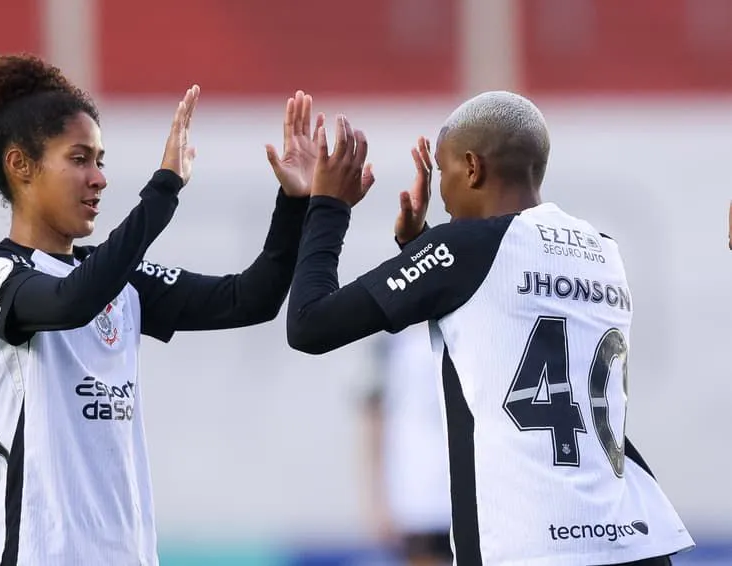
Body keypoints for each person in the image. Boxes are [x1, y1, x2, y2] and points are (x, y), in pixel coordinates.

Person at [285, 94, 694, 566]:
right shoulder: (605, 252)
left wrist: (327, 206)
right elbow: (500, 308)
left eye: (442, 172)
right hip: (632, 539)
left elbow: (309, 325)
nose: (439, 194)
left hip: (529, 546)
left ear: (473, 168)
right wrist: (417, 249)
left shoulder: (463, 251)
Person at [0, 54, 322, 565]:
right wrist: (164, 188)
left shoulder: (117, 280)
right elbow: (70, 301)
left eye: (100, 160)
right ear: (21, 165)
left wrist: (294, 201)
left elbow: (251, 299)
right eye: (79, 159)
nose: (99, 178)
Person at [361, 324, 453, 566]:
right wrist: (377, 499)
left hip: (466, 486)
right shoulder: (389, 342)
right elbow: (374, 420)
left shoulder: (467, 324)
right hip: (414, 495)